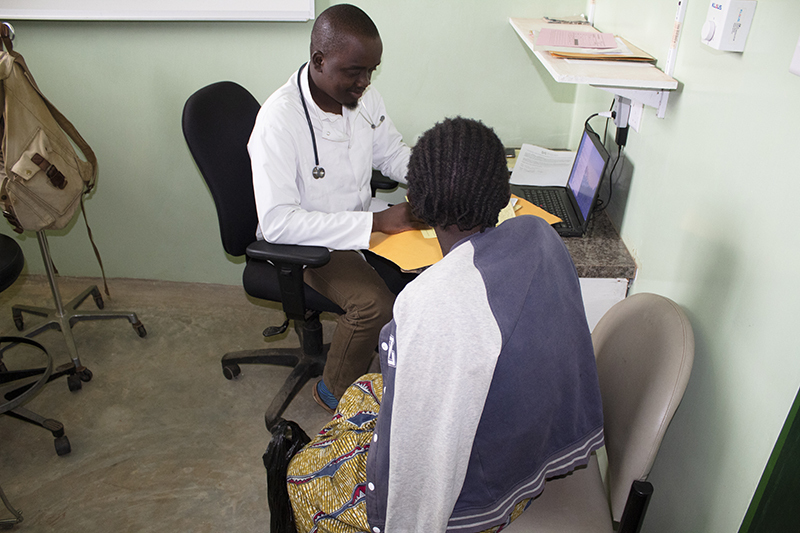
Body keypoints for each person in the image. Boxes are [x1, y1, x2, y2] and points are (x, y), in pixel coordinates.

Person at [286, 117, 605, 533]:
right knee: (364, 389)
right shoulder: (539, 235)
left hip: (481, 497)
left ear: (416, 202)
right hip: (532, 445)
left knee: (302, 476)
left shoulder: (431, 303)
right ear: (502, 191)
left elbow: (422, 473)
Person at [248, 4, 421, 413]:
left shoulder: (362, 97)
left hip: (358, 220)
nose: (364, 82)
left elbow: (392, 154)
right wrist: (378, 223)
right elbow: (277, 224)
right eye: (354, 72)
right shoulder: (279, 121)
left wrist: (435, 179)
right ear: (319, 60)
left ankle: (387, 365)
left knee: (428, 272)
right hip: (304, 242)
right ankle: (334, 390)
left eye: (371, 71)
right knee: (372, 305)